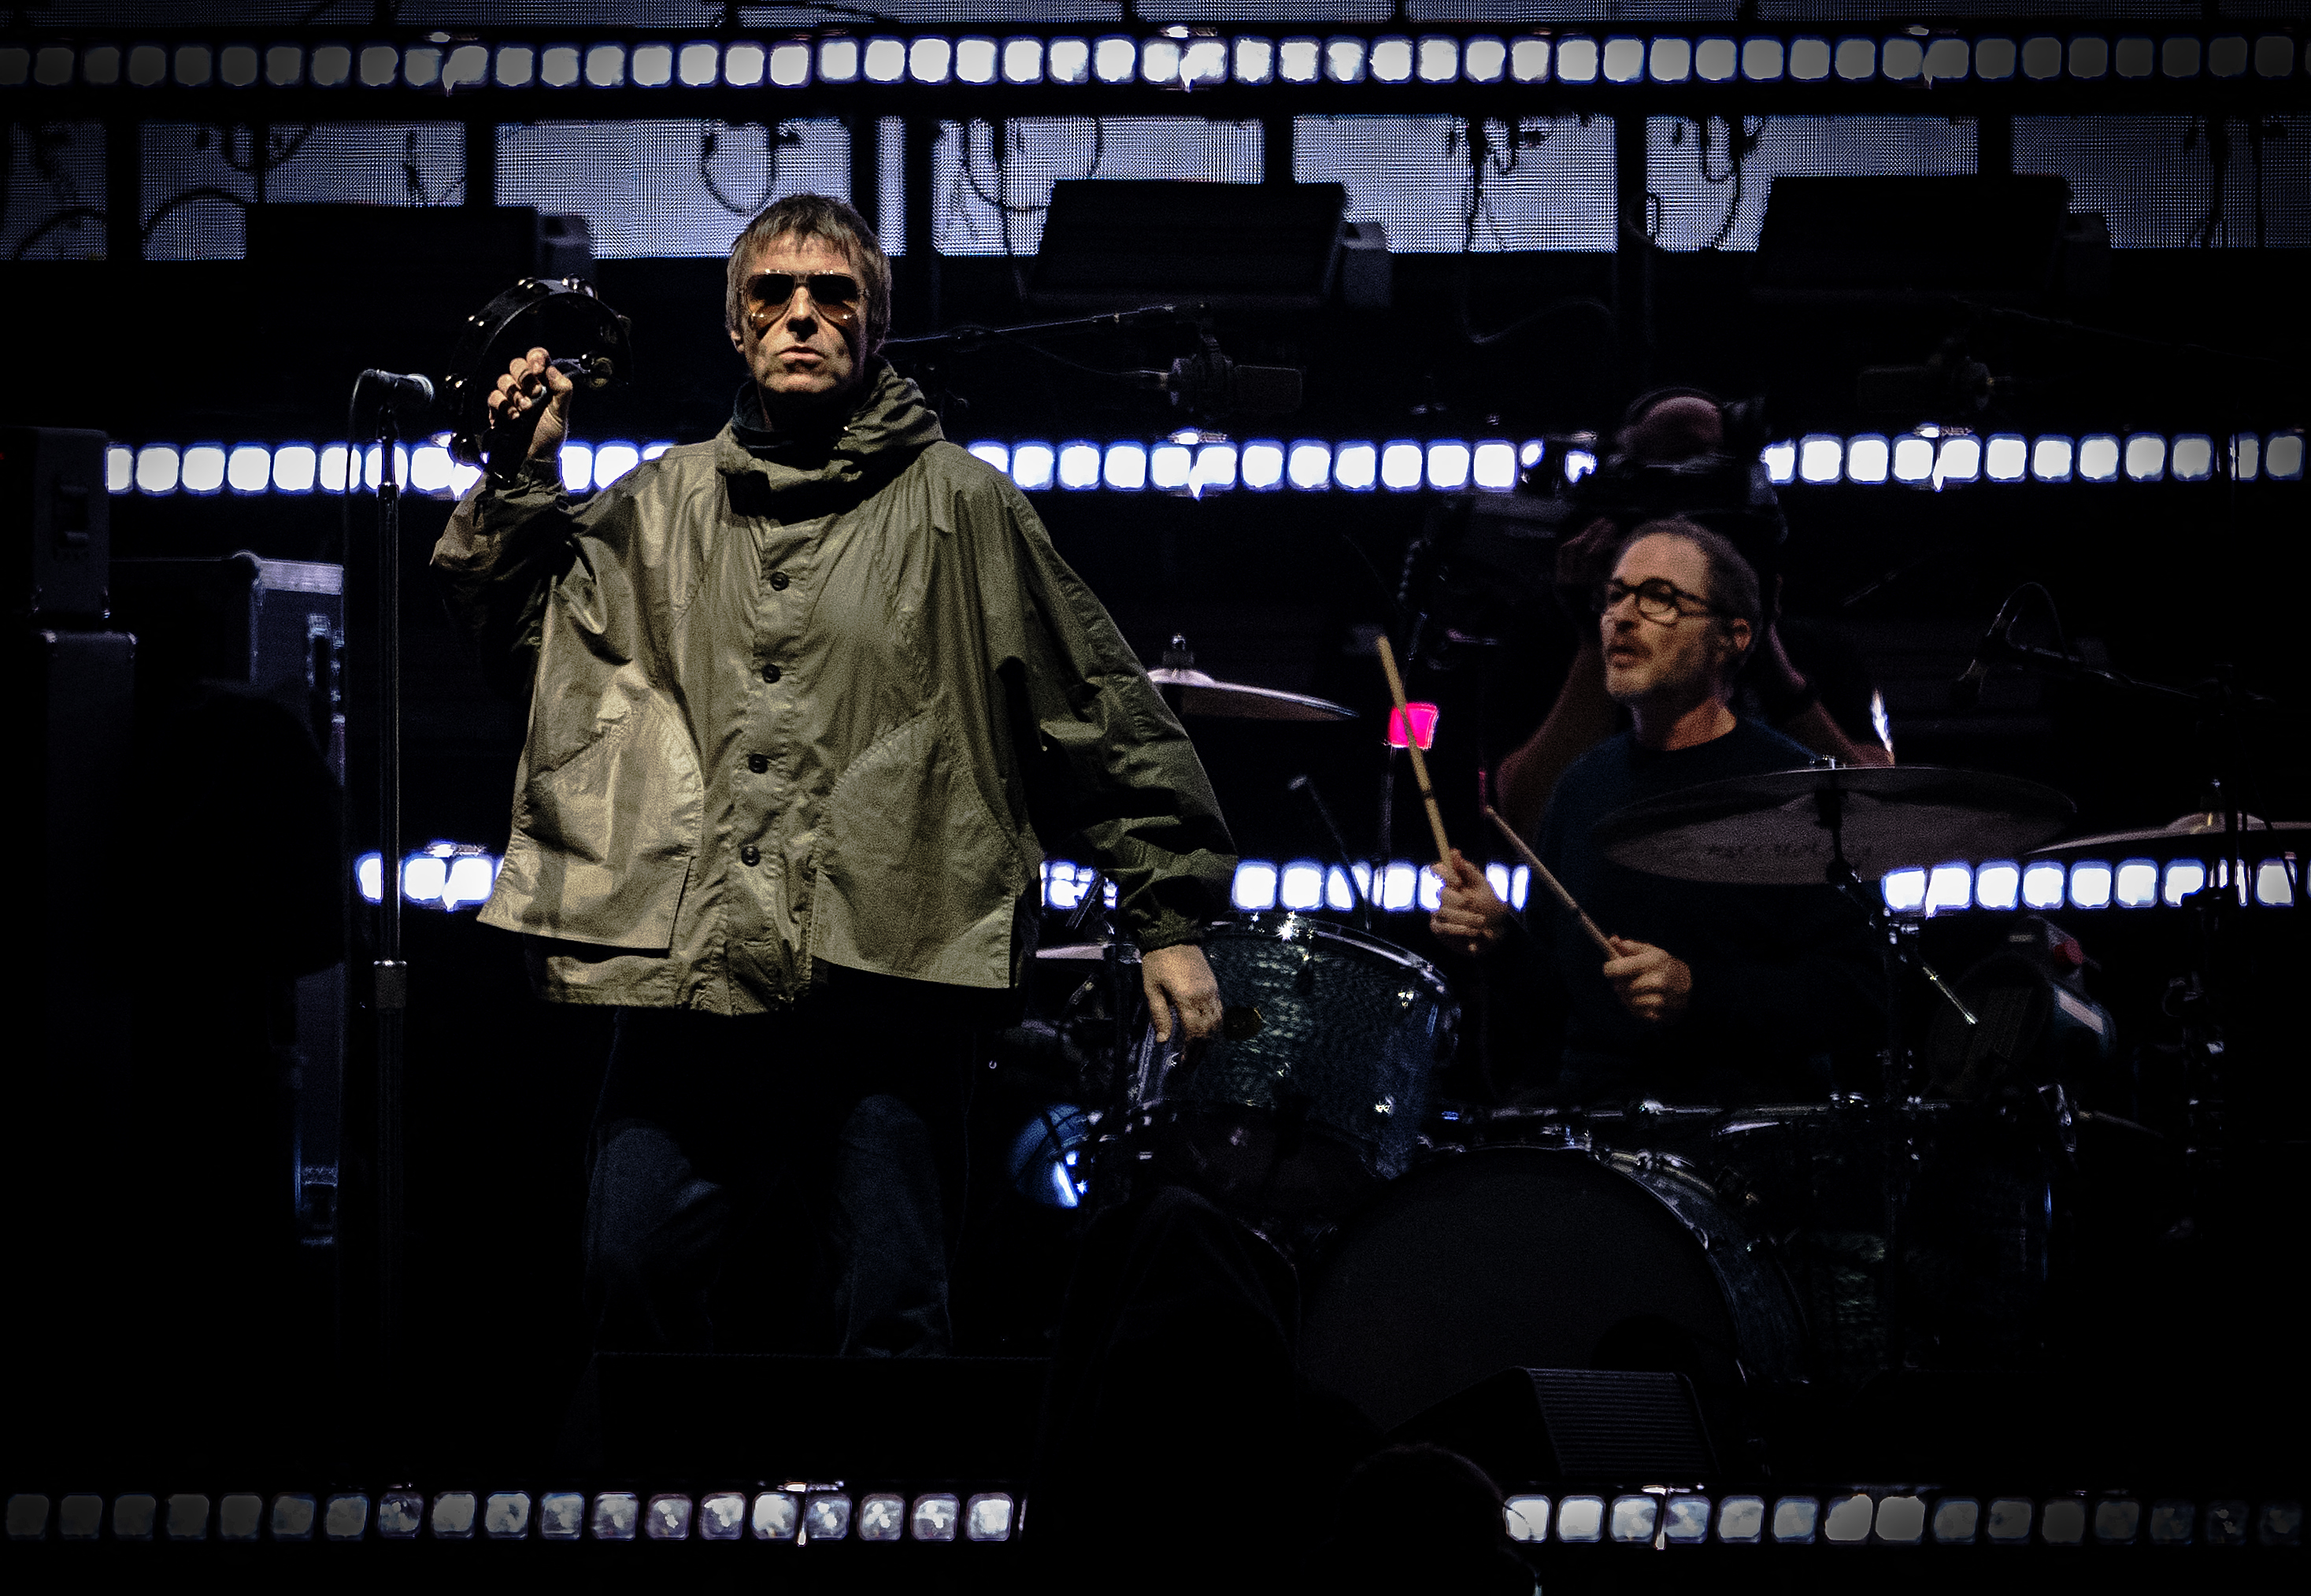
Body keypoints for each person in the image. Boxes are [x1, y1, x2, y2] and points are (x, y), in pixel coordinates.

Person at [432, 194, 1235, 1357]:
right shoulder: (657, 507)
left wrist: (1165, 913)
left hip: (885, 982)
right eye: (773, 293)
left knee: (888, 1310)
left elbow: (1094, 706)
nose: (801, 314)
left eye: (833, 294)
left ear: (874, 325)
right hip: (693, 982)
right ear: (736, 325)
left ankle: (885, 1536)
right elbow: (531, 652)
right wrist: (519, 479)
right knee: (628, 1261)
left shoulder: (961, 507)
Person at [1432, 518, 1882, 1105]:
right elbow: (1554, 1008)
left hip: (1738, 1138)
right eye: (1614, 595)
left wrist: (1698, 993)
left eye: (1658, 599)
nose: (1621, 616)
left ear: (1734, 637)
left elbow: (1863, 993)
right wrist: (1499, 939)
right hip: (1591, 1130)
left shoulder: (1798, 792)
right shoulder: (1582, 785)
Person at [1491, 391, 1891, 838]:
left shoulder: (1815, 643)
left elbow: (1872, 813)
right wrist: (1595, 640)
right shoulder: (1550, 632)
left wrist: (1762, 645)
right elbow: (1529, 821)